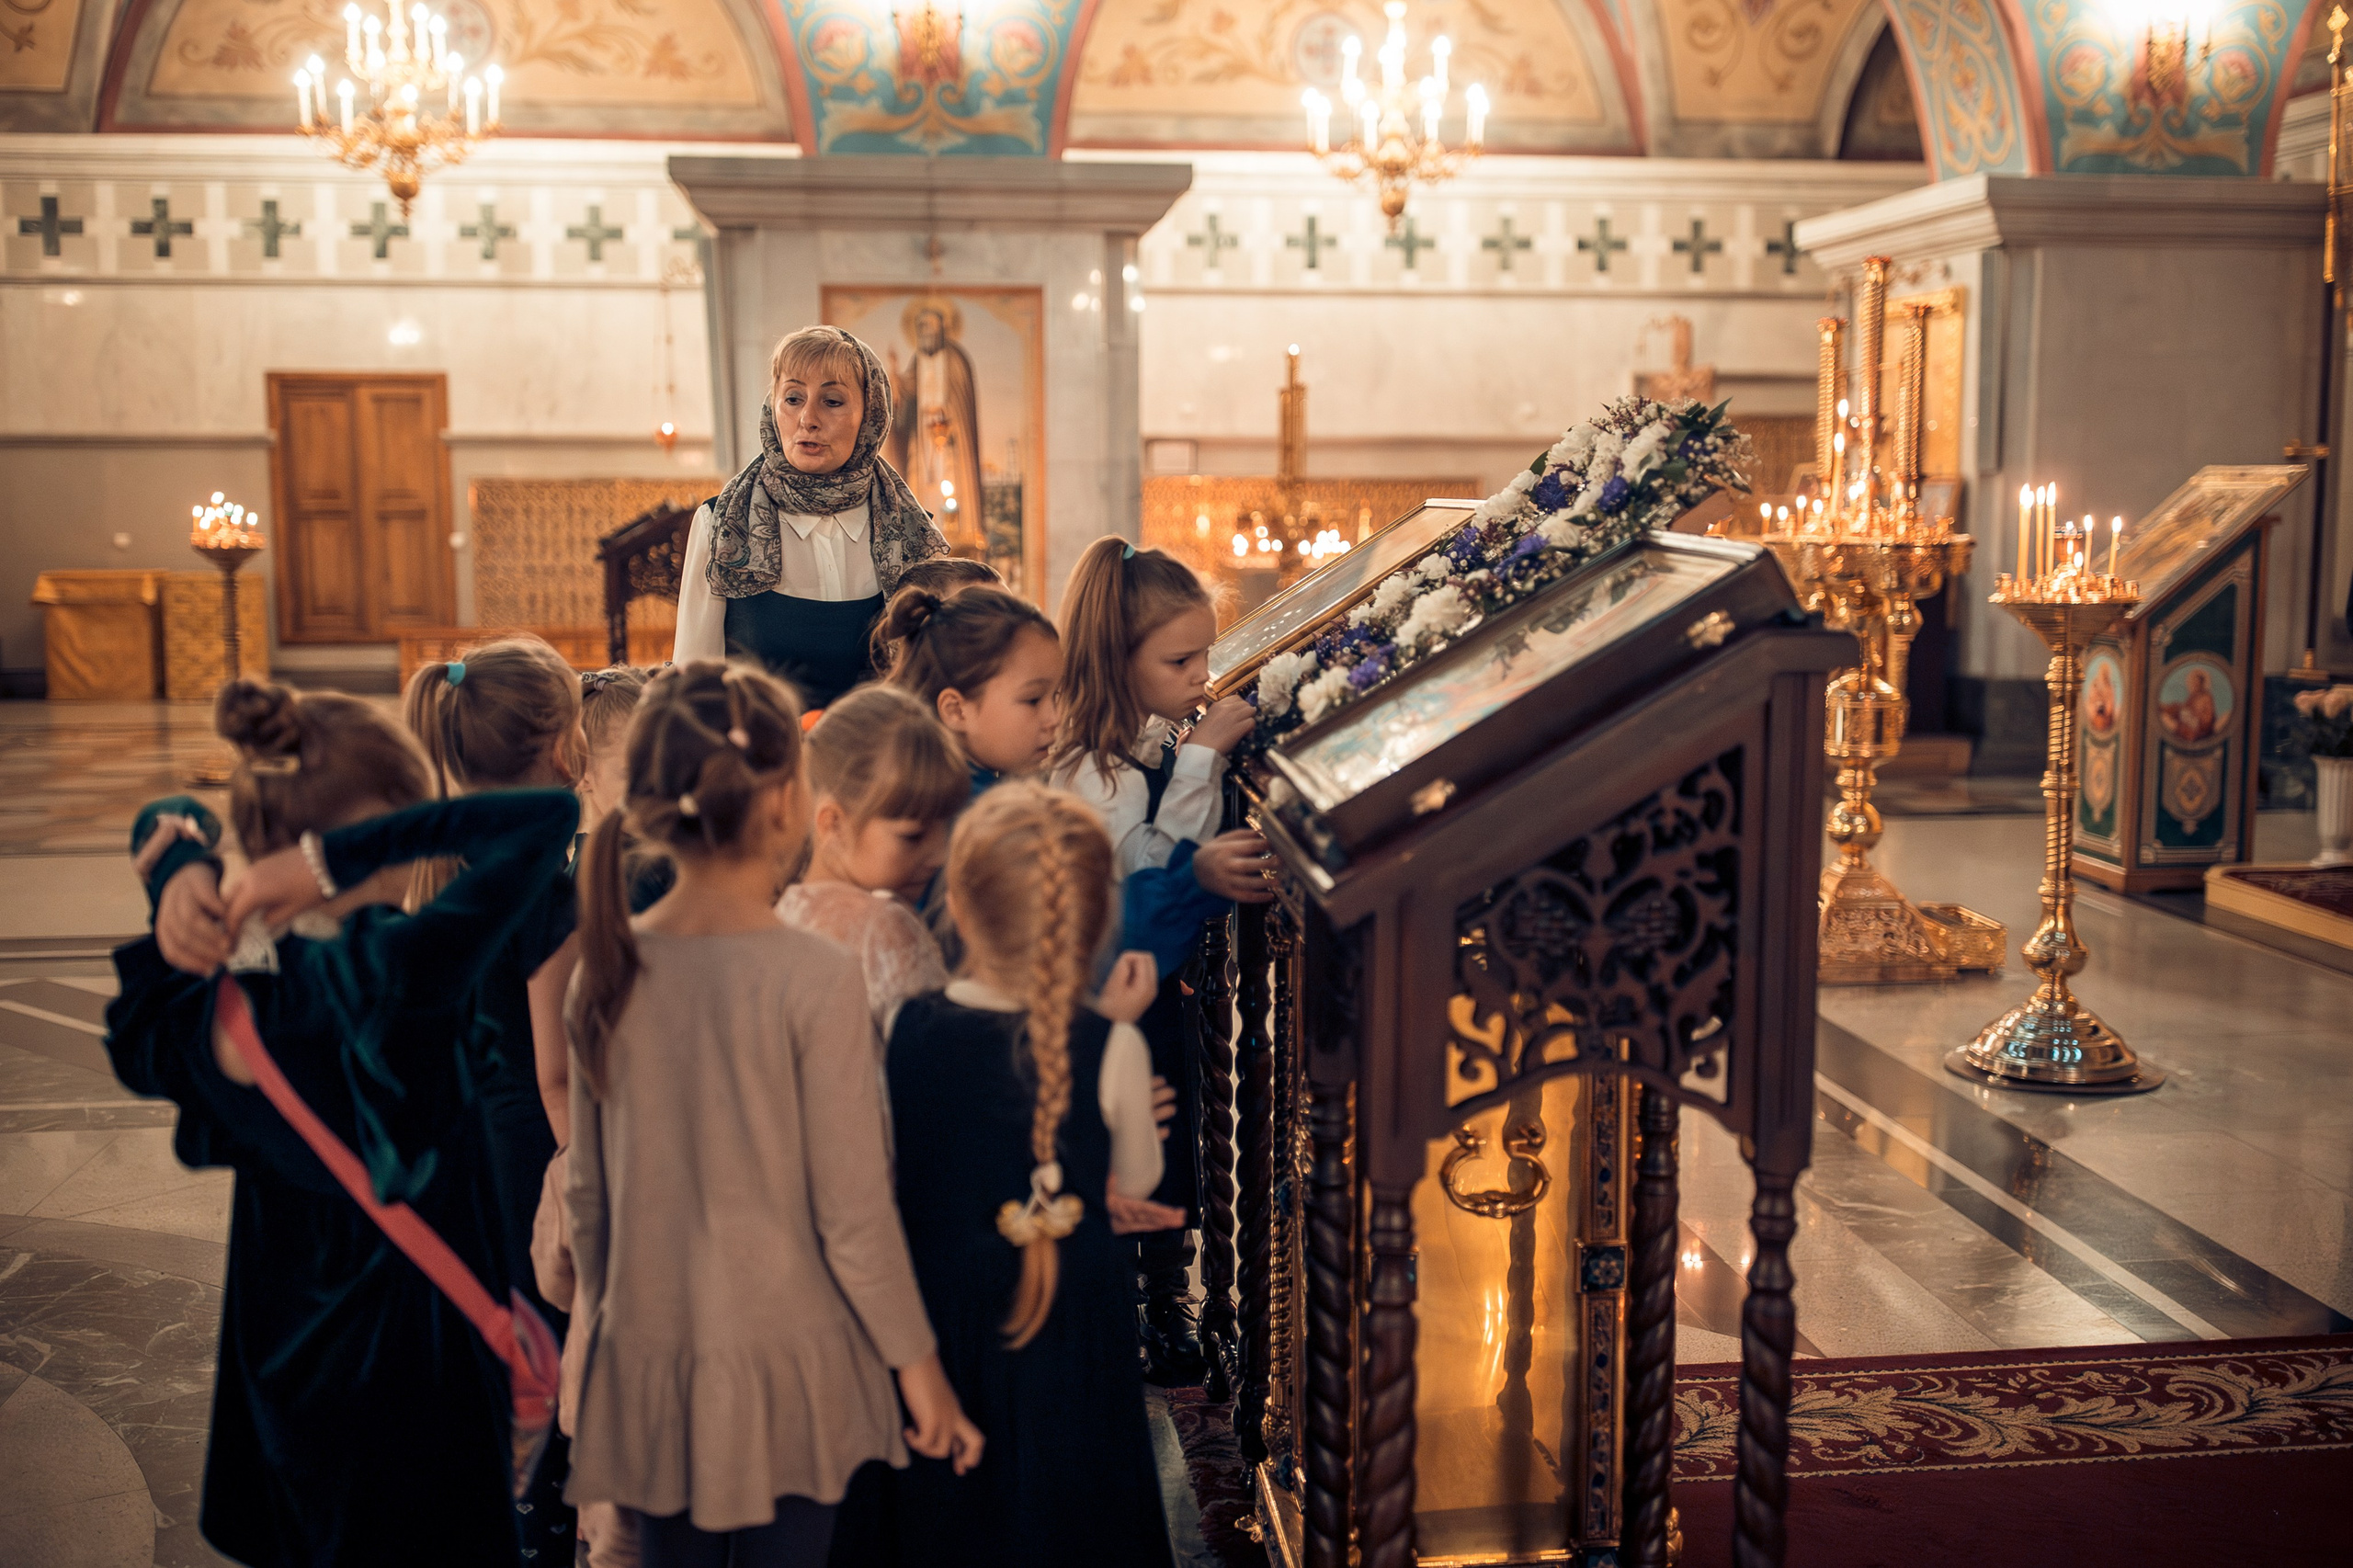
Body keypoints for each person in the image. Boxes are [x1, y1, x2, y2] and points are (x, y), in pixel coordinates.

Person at [108, 679, 580, 1568]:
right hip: (417, 1375)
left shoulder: (209, 1013)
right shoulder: (402, 977)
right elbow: (543, 818)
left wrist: (180, 869)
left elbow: (164, 818)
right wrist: (329, 863)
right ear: (390, 827)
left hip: (283, 1384)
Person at [564, 660, 982, 1567]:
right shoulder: (812, 972)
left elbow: (591, 1206)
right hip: (791, 1359)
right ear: (790, 807)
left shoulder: (605, 967)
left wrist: (592, 1374)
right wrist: (922, 1376)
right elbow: (853, 1209)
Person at [829, 784, 1176, 1568]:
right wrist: (1117, 1029)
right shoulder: (1108, 1044)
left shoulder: (907, 1028)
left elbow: (895, 1164)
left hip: (947, 1314)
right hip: (1076, 1323)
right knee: (1077, 1502)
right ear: (1093, 918)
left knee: (958, 1515)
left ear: (958, 900)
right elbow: (1139, 1180)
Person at [1048, 537, 1261, 1384]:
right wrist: (1204, 757)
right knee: (1124, 1132)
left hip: (1146, 988)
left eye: (1207, 652)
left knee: (1163, 1136)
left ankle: (1167, 1293)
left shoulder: (1138, 732)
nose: (1201, 675)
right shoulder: (1090, 765)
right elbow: (1145, 870)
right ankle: (1132, 1306)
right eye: (1181, 659)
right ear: (1117, 657)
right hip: (1100, 990)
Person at [406, 635, 592, 1558]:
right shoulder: (548, 890)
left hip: (450, 1137)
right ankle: (541, 1514)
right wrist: (577, 1178)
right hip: (524, 1143)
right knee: (541, 1336)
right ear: (564, 750)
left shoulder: (433, 863)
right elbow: (555, 1067)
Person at [674, 326, 949, 710]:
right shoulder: (719, 524)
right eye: (793, 398)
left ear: (870, 416)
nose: (808, 419)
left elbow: (935, 683)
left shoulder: (914, 532)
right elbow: (692, 690)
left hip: (882, 763)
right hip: (765, 766)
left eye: (832, 401)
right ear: (773, 407)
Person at [779, 686, 968, 1040]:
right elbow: (937, 1056)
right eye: (912, 836)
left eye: (945, 826)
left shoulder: (783, 913)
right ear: (832, 823)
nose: (940, 854)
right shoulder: (884, 928)